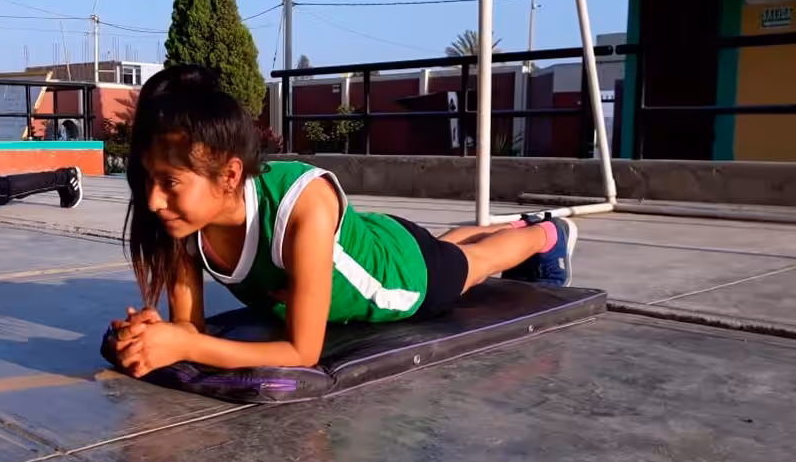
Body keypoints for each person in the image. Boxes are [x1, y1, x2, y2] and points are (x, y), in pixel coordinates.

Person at [108, 65, 577, 378]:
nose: (152, 200)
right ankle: (513, 227)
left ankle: (545, 234)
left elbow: (301, 353)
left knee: (472, 265)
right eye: (149, 179)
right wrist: (158, 334)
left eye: (170, 182)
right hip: (366, 238)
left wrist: (185, 347)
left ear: (229, 175)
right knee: (447, 247)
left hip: (399, 274)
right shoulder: (183, 223)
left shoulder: (301, 205)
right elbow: (190, 328)